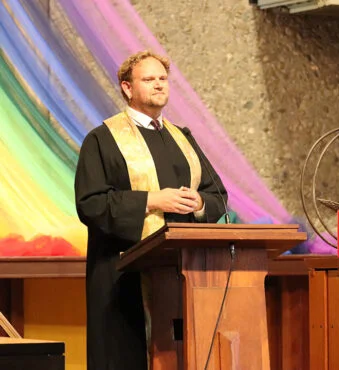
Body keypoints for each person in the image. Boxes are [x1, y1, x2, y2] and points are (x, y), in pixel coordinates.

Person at [74, 50, 228, 370]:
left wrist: (199, 203)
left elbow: (217, 195)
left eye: (162, 79)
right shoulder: (103, 139)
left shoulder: (182, 138)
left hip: (179, 274)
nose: (159, 85)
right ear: (127, 88)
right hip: (123, 275)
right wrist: (151, 201)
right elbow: (90, 204)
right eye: (149, 79)